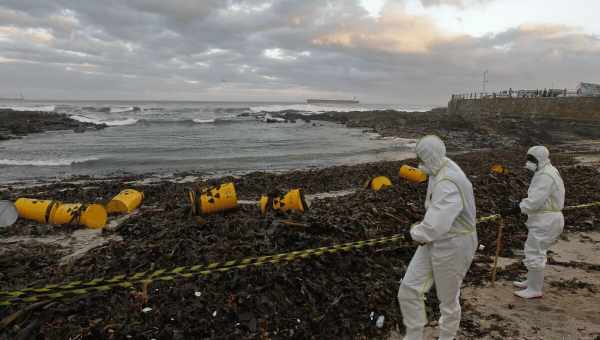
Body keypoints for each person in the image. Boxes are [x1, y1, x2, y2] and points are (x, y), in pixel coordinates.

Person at [397, 135, 477, 340]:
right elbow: (434, 222)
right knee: (409, 289)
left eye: (422, 159)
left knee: (448, 299)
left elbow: (435, 226)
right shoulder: (440, 167)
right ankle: (414, 336)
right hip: (435, 239)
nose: (419, 164)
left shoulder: (449, 182)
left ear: (430, 157)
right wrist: (421, 231)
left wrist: (412, 234)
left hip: (455, 244)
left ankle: (446, 337)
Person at [512, 146, 565, 299]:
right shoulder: (545, 171)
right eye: (528, 159)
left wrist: (517, 208)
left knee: (535, 252)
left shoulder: (546, 176)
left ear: (540, 159)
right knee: (533, 249)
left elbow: (535, 202)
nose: (528, 162)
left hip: (547, 220)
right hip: (545, 218)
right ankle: (530, 282)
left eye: (532, 159)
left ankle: (535, 289)